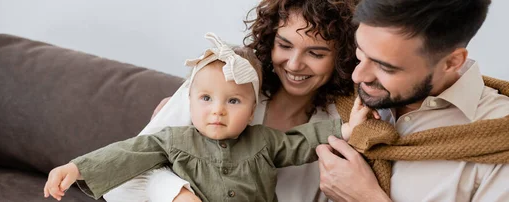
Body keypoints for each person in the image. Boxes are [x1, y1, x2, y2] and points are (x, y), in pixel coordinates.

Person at [43, 33, 372, 202]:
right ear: (190, 99)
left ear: (253, 106)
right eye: (205, 99)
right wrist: (77, 168)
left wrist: (346, 128)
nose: (217, 109)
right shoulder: (173, 139)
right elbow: (127, 154)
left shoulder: (264, 140)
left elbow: (303, 141)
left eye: (232, 101)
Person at [103, 0, 361, 202]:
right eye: (284, 45)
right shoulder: (222, 81)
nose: (294, 64)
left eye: (315, 53)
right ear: (270, 40)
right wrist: (176, 193)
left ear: (343, 56)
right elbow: (117, 183)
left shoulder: (339, 125)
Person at [314, 0, 509, 201]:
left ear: (452, 62)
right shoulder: (336, 92)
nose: (358, 75)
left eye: (386, 67)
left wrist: (367, 199)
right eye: (361, 52)